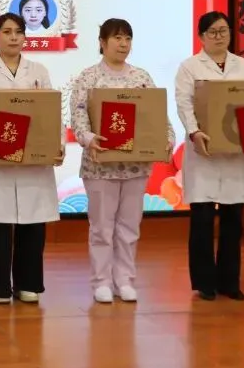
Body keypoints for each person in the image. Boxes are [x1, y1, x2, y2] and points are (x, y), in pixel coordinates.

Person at [174, 11, 244, 301]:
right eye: (212, 32)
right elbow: (184, 104)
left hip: (237, 153)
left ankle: (229, 281)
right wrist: (194, 132)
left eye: (223, 30)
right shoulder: (189, 67)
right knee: (203, 218)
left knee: (233, 218)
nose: (219, 36)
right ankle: (204, 282)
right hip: (205, 151)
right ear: (201, 37)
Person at [70, 18, 174, 304]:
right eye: (117, 38)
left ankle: (124, 280)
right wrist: (89, 137)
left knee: (129, 227)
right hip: (100, 165)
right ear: (102, 42)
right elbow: (78, 117)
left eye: (127, 38)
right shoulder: (88, 78)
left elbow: (158, 115)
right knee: (102, 228)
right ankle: (101, 281)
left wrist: (167, 138)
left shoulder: (141, 77)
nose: (123, 44)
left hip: (135, 166)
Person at [0, 13, 64, 305]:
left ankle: (28, 283)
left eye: (18, 32)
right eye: (7, 31)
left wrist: (57, 145)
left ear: (25, 36)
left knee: (32, 222)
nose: (13, 37)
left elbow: (51, 111)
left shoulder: (39, 70)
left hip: (32, 162)